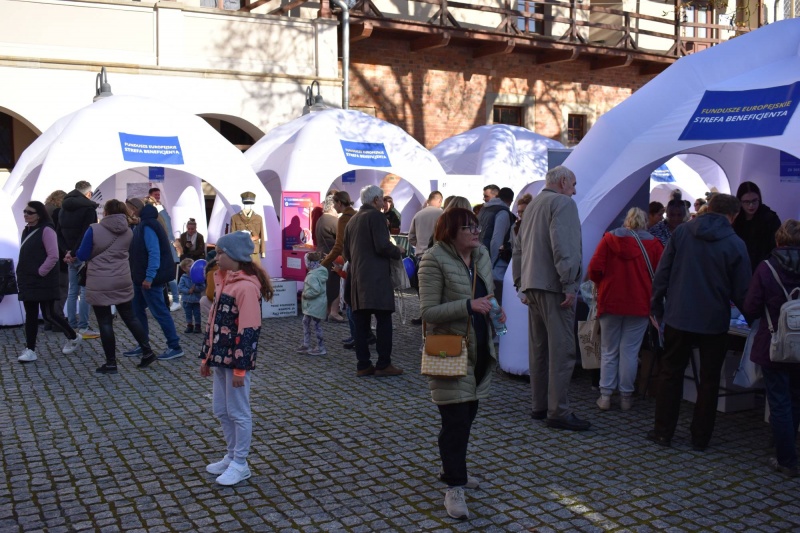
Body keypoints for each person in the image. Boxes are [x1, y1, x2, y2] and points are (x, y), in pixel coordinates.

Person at [647, 193, 751, 451]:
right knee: (709, 379)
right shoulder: (735, 243)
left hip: (679, 315)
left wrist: (656, 305)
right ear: (733, 216)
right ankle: (700, 438)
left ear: (708, 208)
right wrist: (755, 320)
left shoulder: (682, 233)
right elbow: (742, 291)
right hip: (714, 320)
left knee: (670, 373)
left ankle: (663, 432)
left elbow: (663, 272)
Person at [418, 207, 503, 520]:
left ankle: (455, 471)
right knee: (455, 422)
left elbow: (487, 297)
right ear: (451, 232)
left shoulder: (481, 256)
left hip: (479, 351)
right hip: (449, 351)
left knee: (466, 418)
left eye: (477, 226)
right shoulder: (433, 259)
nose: (477, 232)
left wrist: (497, 314)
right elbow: (428, 313)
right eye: (469, 228)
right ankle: (454, 488)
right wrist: (468, 305)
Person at [512, 166, 589, 431]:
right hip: (554, 287)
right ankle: (558, 411)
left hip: (533, 285)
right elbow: (564, 246)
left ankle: (540, 405)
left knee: (539, 350)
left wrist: (521, 283)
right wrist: (569, 284)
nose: (574, 191)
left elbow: (518, 248)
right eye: (574, 184)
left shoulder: (532, 205)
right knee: (561, 350)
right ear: (564, 181)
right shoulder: (562, 203)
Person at [200, 230, 274, 486]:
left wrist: (241, 368)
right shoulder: (223, 281)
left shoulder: (245, 287)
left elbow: (249, 330)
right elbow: (212, 324)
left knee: (238, 412)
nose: (216, 257)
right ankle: (231, 456)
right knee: (221, 410)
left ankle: (240, 463)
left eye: (220, 253)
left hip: (235, 363)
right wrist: (207, 358)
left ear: (233, 255)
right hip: (221, 360)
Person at [588, 207, 663, 411]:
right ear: (644, 222)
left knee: (608, 350)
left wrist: (602, 284)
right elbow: (662, 275)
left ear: (626, 221)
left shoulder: (609, 239)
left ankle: (605, 396)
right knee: (630, 351)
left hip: (611, 300)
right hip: (640, 303)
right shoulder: (654, 244)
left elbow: (594, 269)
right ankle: (626, 397)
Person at [742, 219, 800, 478]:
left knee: (779, 401)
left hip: (774, 342)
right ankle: (785, 445)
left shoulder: (767, 268)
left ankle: (786, 458)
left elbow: (751, 307)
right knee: (795, 398)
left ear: (778, 240)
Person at [75, 199, 158, 373]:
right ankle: (147, 351)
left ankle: (111, 363)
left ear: (105, 212)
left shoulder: (94, 229)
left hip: (100, 280)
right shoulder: (128, 231)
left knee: (105, 321)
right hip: (122, 278)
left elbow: (82, 254)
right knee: (130, 317)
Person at [343, 185, 405, 377]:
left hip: (357, 279)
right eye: (382, 199)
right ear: (376, 200)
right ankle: (383, 364)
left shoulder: (352, 220)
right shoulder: (376, 216)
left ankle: (363, 364)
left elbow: (346, 253)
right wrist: (398, 251)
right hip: (376, 278)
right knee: (383, 320)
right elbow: (382, 246)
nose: (384, 203)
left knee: (361, 324)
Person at [16, 201, 83, 363]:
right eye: (25, 211)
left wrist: (40, 272)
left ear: (39, 215)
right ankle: (30, 349)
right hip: (28, 279)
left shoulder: (47, 230)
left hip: (42, 279)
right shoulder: (27, 230)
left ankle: (73, 336)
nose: (26, 215)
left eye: (30, 212)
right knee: (31, 314)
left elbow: (53, 256)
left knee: (49, 313)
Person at [124, 202, 184, 361]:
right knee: (138, 311)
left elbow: (154, 253)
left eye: (129, 208)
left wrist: (149, 277)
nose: (128, 212)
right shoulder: (143, 224)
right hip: (140, 277)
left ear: (134, 208)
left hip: (148, 279)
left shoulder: (148, 226)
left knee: (160, 312)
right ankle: (143, 345)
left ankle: (174, 346)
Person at [59, 180, 100, 339]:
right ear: (88, 194)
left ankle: (72, 325)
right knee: (84, 290)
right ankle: (83, 327)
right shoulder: (89, 209)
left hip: (69, 254)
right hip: (82, 254)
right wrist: (75, 252)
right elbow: (87, 234)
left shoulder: (63, 207)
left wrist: (67, 252)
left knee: (72, 291)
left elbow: (58, 232)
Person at [321, 191, 358, 345]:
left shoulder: (344, 218)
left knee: (350, 302)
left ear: (339, 203)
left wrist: (325, 262)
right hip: (358, 260)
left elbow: (338, 246)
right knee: (356, 302)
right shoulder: (356, 215)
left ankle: (357, 336)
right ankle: (360, 335)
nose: (334, 206)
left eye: (335, 203)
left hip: (350, 261)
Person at [145, 188, 182, 312]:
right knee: (160, 275)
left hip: (166, 246)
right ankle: (157, 301)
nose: (158, 196)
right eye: (155, 195)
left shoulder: (161, 209)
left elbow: (168, 230)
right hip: (163, 245)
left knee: (169, 276)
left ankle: (176, 300)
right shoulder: (158, 210)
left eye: (158, 194)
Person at [478, 186, 516, 304]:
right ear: (510, 201)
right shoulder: (503, 212)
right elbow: (496, 240)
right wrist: (492, 263)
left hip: (479, 257)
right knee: (495, 301)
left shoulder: (483, 210)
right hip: (493, 263)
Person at [733, 181, 782, 272]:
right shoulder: (734, 219)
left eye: (754, 201)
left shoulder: (770, 219)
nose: (751, 205)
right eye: (746, 202)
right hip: (740, 269)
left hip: (764, 269)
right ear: (740, 202)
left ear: (759, 199)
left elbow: (776, 247)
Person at [315, 195, 344, 322]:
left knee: (326, 284)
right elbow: (342, 240)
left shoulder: (320, 219)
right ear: (333, 206)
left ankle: (327, 311)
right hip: (332, 256)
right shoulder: (334, 221)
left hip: (321, 254)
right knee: (334, 284)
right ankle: (334, 312)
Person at [44, 189, 69, 332]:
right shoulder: (59, 213)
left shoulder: (42, 211)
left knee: (48, 291)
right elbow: (62, 235)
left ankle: (48, 320)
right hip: (58, 255)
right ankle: (58, 320)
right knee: (61, 288)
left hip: (43, 257)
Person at [297, 252, 328, 356]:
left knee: (316, 325)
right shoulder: (319, 272)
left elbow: (315, 290)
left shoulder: (312, 276)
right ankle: (307, 344)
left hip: (314, 304)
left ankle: (320, 347)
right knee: (306, 322)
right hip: (314, 304)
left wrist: (305, 294)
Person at [230, 191, 266, 262]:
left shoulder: (258, 218)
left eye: (249, 203)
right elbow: (232, 236)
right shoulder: (235, 218)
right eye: (246, 203)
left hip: (254, 250)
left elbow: (262, 235)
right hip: (240, 250)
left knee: (255, 268)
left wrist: (263, 251)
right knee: (241, 268)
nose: (248, 205)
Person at [409, 191, 444, 259]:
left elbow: (411, 238)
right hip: (437, 256)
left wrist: (420, 245)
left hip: (421, 255)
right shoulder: (442, 214)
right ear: (440, 201)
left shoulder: (418, 215)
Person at [178, 258, 205, 334]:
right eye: (190, 266)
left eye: (193, 265)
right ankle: (189, 325)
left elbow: (202, 286)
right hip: (186, 300)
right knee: (188, 313)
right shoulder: (183, 278)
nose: (192, 267)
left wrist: (195, 289)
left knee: (197, 313)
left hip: (196, 300)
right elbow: (180, 287)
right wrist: (187, 291)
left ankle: (198, 326)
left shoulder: (198, 276)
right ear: (184, 268)